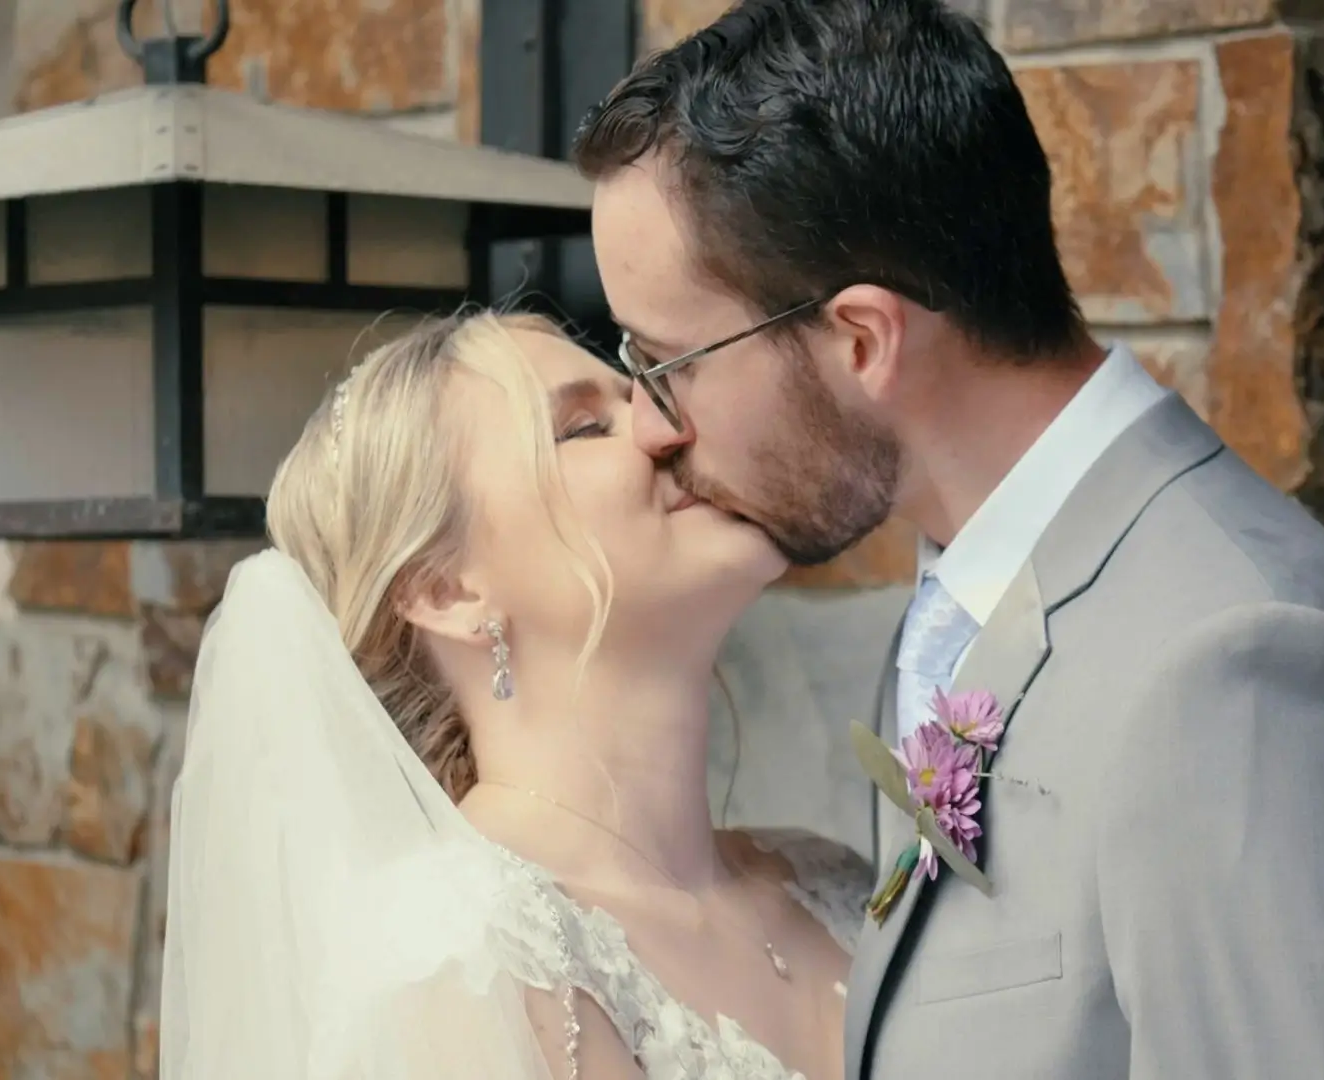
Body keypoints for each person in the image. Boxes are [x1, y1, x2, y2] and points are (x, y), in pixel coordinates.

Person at [573, 1, 1324, 1078]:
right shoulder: (975, 605)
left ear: (863, 339)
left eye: (667, 360)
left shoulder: (1237, 670)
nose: (650, 424)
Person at [158, 310, 873, 1080]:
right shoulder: (461, 969)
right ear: (444, 588)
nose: (667, 428)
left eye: (645, 391)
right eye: (583, 427)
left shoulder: (831, 881)